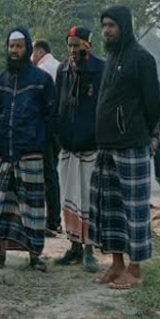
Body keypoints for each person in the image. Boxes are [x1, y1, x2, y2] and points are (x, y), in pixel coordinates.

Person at [90, 6, 160, 290]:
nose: (107, 30)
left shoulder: (141, 59)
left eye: (112, 25)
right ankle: (117, 264)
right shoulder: (112, 56)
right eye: (104, 25)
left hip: (131, 146)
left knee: (134, 210)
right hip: (107, 147)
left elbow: (153, 103)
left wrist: (141, 131)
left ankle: (134, 269)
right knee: (110, 210)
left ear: (124, 26)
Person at [0, 27, 54, 272]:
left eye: (19, 46)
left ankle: (35, 256)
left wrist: (37, 139)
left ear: (28, 48)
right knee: (2, 204)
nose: (14, 51)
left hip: (31, 151)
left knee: (32, 206)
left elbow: (49, 114)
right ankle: (0, 255)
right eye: (11, 46)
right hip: (4, 152)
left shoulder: (42, 80)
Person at [53, 26, 105, 272]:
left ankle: (89, 250)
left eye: (77, 45)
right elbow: (57, 106)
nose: (73, 50)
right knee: (69, 198)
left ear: (88, 45)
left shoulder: (99, 70)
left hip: (90, 148)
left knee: (87, 198)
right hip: (68, 147)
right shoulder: (62, 71)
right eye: (70, 45)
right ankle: (73, 246)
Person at [31, 39, 63, 235]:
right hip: (59, 130)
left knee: (47, 175)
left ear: (39, 51)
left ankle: (51, 220)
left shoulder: (43, 71)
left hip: (45, 130)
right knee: (52, 175)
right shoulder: (60, 66)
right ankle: (54, 219)